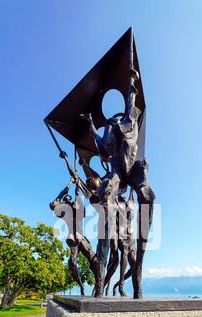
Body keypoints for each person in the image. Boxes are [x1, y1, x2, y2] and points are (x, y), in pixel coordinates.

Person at [80, 67, 155, 298]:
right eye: (111, 121)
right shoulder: (109, 136)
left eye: (117, 118)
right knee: (106, 200)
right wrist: (92, 122)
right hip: (117, 173)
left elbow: (131, 99)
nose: (115, 120)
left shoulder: (130, 119)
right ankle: (100, 284)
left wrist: (131, 80)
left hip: (133, 169)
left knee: (148, 196)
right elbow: (97, 139)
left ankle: (137, 280)